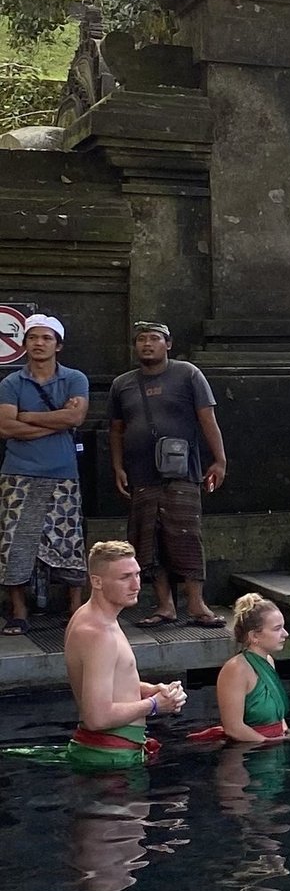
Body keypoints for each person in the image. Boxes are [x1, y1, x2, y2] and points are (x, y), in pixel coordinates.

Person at [108, 321, 228, 629]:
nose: (147, 344)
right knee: (149, 541)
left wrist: (219, 460)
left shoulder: (187, 374)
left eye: (155, 339)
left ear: (168, 344)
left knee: (187, 536)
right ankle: (164, 606)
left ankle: (198, 605)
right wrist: (118, 466)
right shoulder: (122, 384)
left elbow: (207, 419)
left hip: (182, 472)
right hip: (141, 474)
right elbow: (116, 430)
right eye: (142, 339)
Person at [0, 314, 90, 634]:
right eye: (33, 338)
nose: (39, 343)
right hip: (18, 474)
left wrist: (29, 419)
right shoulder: (11, 383)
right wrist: (57, 420)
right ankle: (18, 610)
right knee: (15, 543)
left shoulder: (75, 379)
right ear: (24, 344)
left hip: (63, 474)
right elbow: (5, 426)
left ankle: (76, 608)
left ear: (58, 345)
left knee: (68, 541)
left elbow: (77, 415)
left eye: (46, 338)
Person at [62, 540, 185, 770]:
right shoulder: (98, 633)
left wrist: (153, 689)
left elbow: (112, 683)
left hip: (111, 754)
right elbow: (96, 717)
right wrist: (154, 705)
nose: (136, 584)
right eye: (124, 577)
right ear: (96, 581)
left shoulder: (95, 618)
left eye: (137, 575)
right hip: (110, 760)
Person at [205, 594, 290, 746]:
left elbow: (277, 718)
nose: (285, 634)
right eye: (277, 629)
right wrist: (269, 743)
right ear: (254, 636)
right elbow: (234, 728)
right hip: (249, 750)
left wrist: (285, 732)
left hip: (274, 744)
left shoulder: (268, 661)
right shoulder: (236, 670)